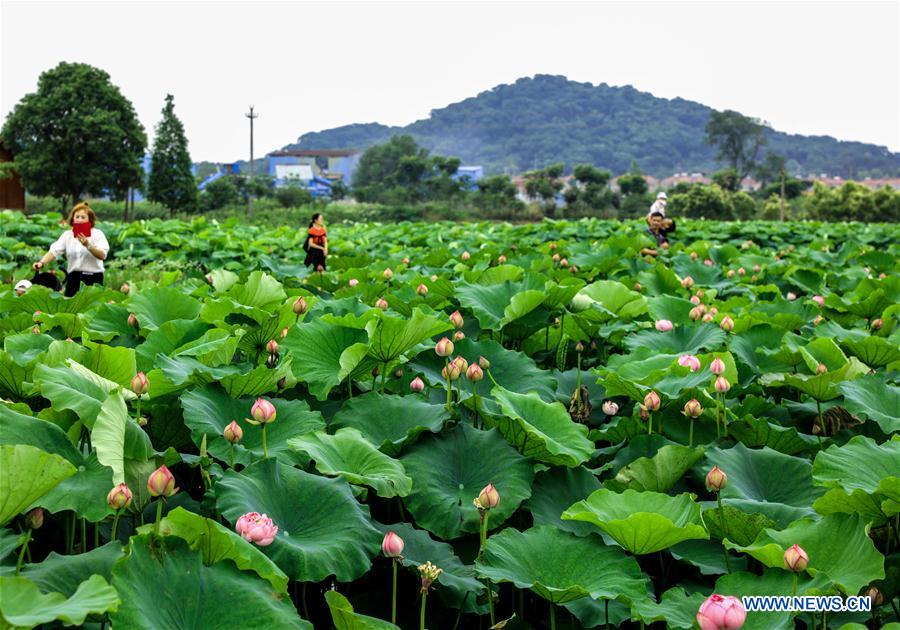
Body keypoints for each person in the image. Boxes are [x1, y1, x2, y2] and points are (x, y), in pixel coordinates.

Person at [33, 202, 110, 297]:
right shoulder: (67, 235)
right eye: (77, 217)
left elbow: (102, 255)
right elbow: (54, 251)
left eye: (83, 217)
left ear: (89, 219)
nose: (79, 220)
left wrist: (88, 245)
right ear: (73, 219)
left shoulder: (97, 234)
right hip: (74, 277)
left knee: (91, 307)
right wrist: (41, 263)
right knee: (70, 307)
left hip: (93, 278)